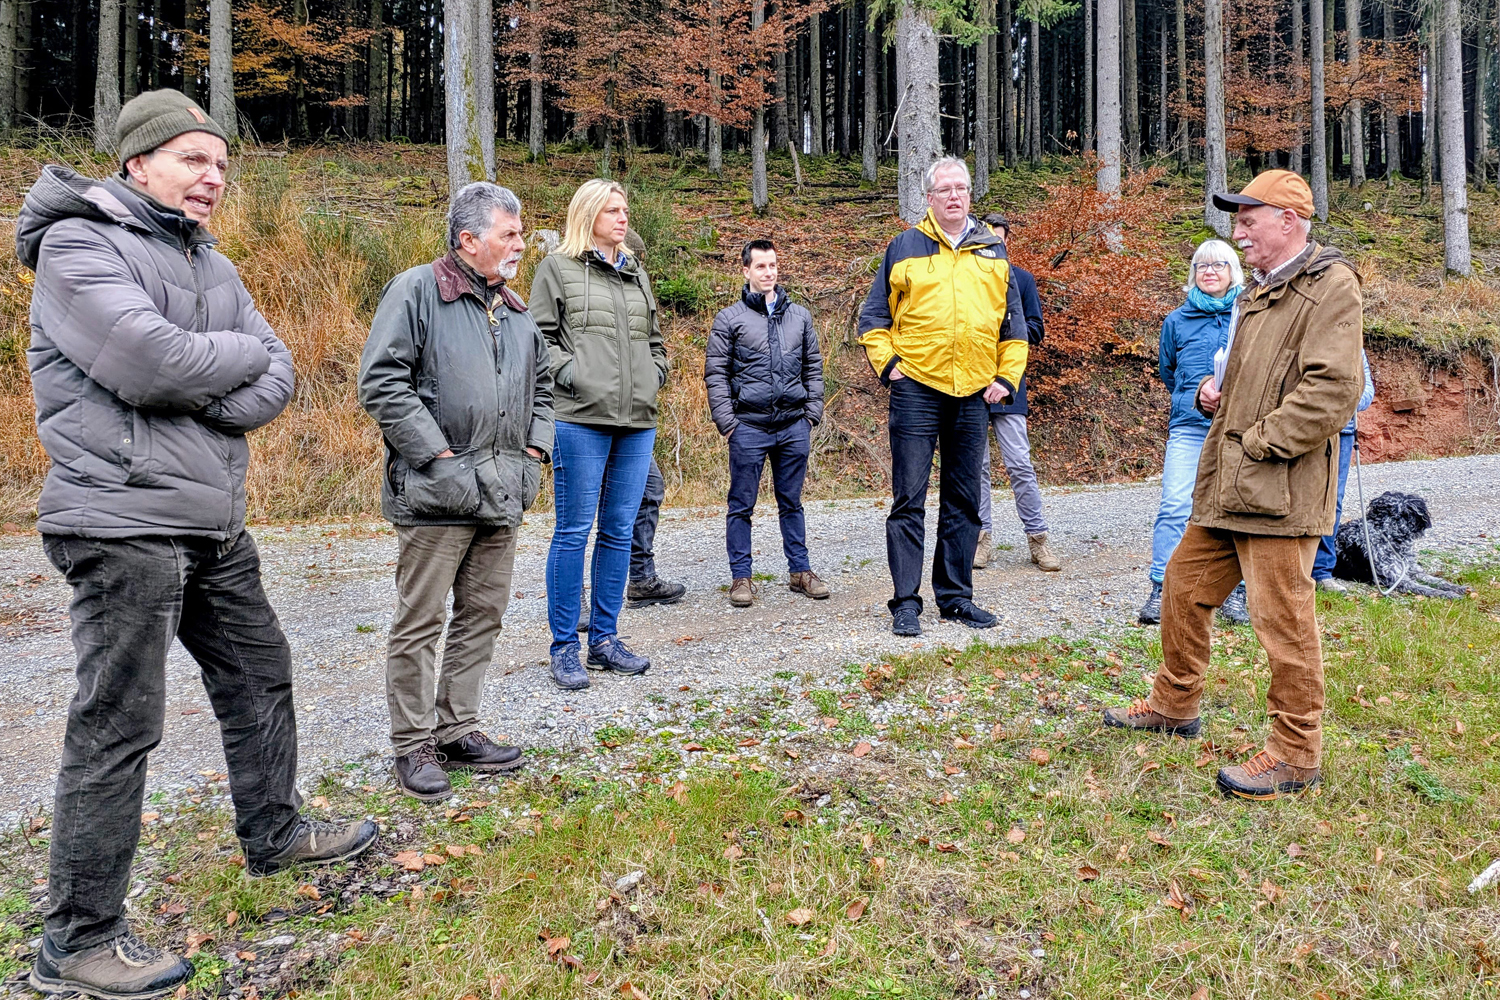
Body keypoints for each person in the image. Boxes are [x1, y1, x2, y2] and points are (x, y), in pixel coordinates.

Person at [16, 90, 376, 1000]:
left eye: (220, 164)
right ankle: (77, 940)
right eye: (192, 160)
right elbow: (146, 361)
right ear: (137, 162)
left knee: (262, 670)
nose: (212, 178)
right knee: (119, 724)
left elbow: (277, 371)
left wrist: (201, 373)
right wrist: (212, 366)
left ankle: (275, 833)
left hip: (212, 519)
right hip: (120, 517)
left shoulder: (208, 261)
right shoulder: (77, 243)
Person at [1104, 170, 1365, 801]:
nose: (1237, 233)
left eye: (1249, 220)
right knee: (1182, 588)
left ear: (1289, 220)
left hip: (1280, 489)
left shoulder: (1331, 287)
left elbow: (1333, 389)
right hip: (1229, 487)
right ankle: (1174, 704)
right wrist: (1210, 396)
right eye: (1237, 220)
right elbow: (1249, 381)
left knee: (1283, 620)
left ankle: (1296, 753)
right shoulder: (1260, 291)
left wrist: (1259, 441)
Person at [358, 182, 554, 800]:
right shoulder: (418, 290)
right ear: (469, 240)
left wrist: (533, 454)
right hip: (437, 494)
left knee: (483, 616)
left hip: (502, 492)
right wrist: (440, 459)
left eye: (520, 233)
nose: (521, 244)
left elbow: (543, 388)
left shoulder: (517, 312)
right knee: (419, 621)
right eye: (510, 234)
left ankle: (458, 728)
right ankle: (412, 745)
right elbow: (383, 381)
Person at [857, 156, 1028, 637]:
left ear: (970, 195)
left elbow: (1013, 329)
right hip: (916, 389)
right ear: (929, 197)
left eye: (962, 188)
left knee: (964, 499)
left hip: (973, 391)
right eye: (945, 189)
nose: (954, 196)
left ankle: (955, 598)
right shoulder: (904, 247)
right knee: (908, 498)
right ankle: (906, 602)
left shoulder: (993, 250)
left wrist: (1006, 378)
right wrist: (891, 368)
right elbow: (873, 321)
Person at [531, 179, 667, 690]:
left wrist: (655, 376)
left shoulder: (636, 274)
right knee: (572, 532)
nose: (623, 217)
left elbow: (656, 341)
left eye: (625, 209)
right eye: (612, 210)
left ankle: (605, 641)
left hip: (636, 424)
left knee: (617, 532)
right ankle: (565, 648)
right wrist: (576, 377)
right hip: (578, 420)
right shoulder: (557, 269)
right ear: (587, 215)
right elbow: (538, 340)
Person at [705, 239, 830, 606]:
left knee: (791, 502)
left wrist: (811, 414)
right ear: (746, 271)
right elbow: (716, 374)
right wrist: (729, 423)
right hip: (749, 427)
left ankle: (800, 571)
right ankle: (741, 579)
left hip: (793, 425)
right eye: (760, 266)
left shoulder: (800, 316)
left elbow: (814, 367)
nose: (769, 272)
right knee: (741, 504)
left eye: (773, 265)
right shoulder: (729, 319)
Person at [1136, 239, 1244, 625]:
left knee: (1237, 510)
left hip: (1239, 431)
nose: (1209, 271)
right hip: (1189, 427)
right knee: (1174, 507)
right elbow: (1169, 372)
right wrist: (1197, 393)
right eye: (1201, 266)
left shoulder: (1248, 315)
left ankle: (1235, 594)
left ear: (1233, 271)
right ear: (1193, 275)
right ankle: (1160, 589)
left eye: (1218, 265)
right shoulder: (1176, 321)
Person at [973, 214, 1060, 574]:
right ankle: (981, 540)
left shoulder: (1022, 279)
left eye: (1000, 240)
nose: (995, 245)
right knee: (975, 468)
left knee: (1020, 464)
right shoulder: (969, 280)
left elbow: (1037, 329)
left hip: (1010, 386)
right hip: (971, 386)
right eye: (988, 239)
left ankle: (1038, 540)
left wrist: (1012, 327)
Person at [1311, 351, 1375, 592]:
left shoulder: (1353, 345)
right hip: (1306, 430)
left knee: (1333, 501)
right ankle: (1294, 567)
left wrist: (1344, 400)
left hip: (1343, 432)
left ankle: (1321, 571)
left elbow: (1367, 391)